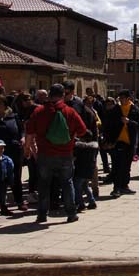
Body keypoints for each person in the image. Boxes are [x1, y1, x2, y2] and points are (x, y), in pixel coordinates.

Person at [24, 84, 87, 223]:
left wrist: (27, 149)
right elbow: (83, 130)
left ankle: (42, 215)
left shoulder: (39, 111)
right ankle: (71, 213)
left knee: (44, 184)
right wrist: (71, 135)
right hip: (65, 154)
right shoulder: (70, 111)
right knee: (67, 183)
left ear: (49, 95)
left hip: (45, 154)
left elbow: (29, 132)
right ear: (63, 95)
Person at [0, 95, 26, 211]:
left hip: (14, 149)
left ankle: (19, 201)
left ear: (5, 105)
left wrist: (22, 138)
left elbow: (22, 130)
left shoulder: (13, 116)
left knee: (16, 177)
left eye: (0, 103)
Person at [102, 90, 139, 197]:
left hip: (130, 141)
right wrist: (108, 141)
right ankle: (116, 188)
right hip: (118, 141)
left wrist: (129, 122)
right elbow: (108, 126)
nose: (122, 100)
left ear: (129, 98)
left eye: (124, 98)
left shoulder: (134, 109)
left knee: (127, 166)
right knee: (117, 165)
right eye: (120, 98)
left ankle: (125, 186)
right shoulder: (115, 109)